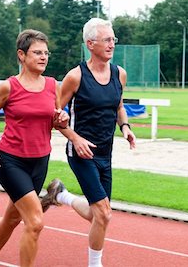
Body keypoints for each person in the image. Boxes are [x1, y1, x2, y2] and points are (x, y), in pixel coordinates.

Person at [41, 18, 136, 267]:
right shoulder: (75, 77)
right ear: (90, 43)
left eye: (113, 39)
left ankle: (61, 195)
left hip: (106, 153)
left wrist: (125, 127)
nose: (112, 44)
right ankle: (95, 264)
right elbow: (54, 116)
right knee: (104, 214)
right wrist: (75, 137)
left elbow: (118, 105)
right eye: (106, 39)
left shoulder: (119, 74)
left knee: (98, 214)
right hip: (80, 153)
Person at [0, 29, 69, 267]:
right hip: (11, 161)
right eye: (37, 52)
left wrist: (63, 119)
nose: (43, 57)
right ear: (21, 55)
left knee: (13, 216)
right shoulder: (8, 87)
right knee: (35, 222)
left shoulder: (52, 85)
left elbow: (56, 119)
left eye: (46, 53)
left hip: (40, 161)